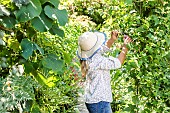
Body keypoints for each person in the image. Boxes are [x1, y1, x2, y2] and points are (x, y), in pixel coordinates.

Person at [77, 30, 132, 113]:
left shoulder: (88, 56)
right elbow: (118, 62)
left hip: (93, 100)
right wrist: (125, 46)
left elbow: (102, 49)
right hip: (100, 102)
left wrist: (112, 39)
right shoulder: (98, 60)